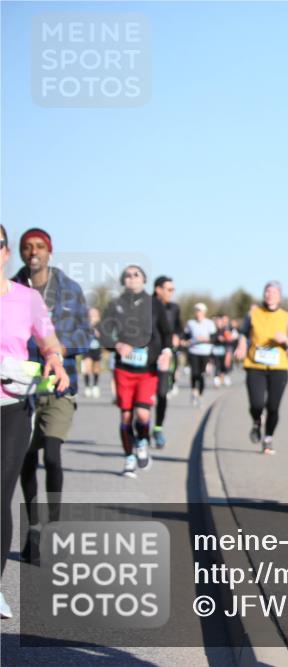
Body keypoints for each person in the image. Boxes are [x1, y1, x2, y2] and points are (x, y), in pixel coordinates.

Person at [0, 224, 69, 618]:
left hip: (11, 404)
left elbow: (49, 340)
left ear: (5, 251)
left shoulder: (26, 299)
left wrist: (56, 360)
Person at [12, 228, 92, 545]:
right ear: (20, 253)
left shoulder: (70, 290)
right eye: (27, 247)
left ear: (49, 251)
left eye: (40, 247)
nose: (33, 252)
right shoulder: (10, 288)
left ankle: (54, 526)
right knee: (27, 460)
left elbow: (86, 337)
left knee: (54, 455)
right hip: (22, 385)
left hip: (59, 384)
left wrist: (55, 351)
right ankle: (34, 525)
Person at [98, 265, 174, 478]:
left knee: (142, 414)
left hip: (148, 369)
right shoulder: (115, 304)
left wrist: (167, 351)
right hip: (124, 369)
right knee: (125, 416)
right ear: (123, 281)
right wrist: (116, 345)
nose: (131, 278)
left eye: (136, 275)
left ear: (144, 279)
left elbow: (167, 333)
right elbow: (103, 333)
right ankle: (128, 458)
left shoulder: (154, 304)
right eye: (127, 276)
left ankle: (142, 441)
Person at [234, 281, 288, 455]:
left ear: (280, 296)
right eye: (267, 291)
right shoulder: (253, 313)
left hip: (278, 367)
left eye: (274, 292)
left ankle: (268, 439)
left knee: (273, 407)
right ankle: (256, 422)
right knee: (256, 404)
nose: (270, 295)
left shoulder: (286, 317)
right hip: (255, 365)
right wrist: (242, 344)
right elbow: (243, 334)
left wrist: (286, 340)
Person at [152, 276, 183, 448]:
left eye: (173, 290)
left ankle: (158, 428)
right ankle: (140, 428)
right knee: (142, 399)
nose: (171, 293)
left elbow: (179, 328)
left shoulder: (174, 308)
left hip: (164, 357)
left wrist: (177, 337)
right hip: (146, 359)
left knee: (162, 394)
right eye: (169, 289)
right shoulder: (146, 306)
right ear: (158, 289)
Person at [184, 303, 216, 407]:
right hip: (193, 351)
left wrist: (205, 339)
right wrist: (188, 341)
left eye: (200, 311)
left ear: (204, 312)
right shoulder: (190, 323)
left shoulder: (209, 323)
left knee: (202, 374)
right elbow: (185, 337)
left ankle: (201, 395)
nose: (198, 314)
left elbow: (214, 338)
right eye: (197, 311)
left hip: (205, 352)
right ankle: (194, 391)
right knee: (194, 373)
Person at [81, 307, 104, 398]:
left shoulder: (101, 324)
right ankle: (87, 387)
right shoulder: (85, 324)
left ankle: (95, 386)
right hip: (87, 349)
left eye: (95, 313)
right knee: (87, 367)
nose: (93, 315)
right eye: (91, 313)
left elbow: (104, 336)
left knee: (96, 368)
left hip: (97, 349)